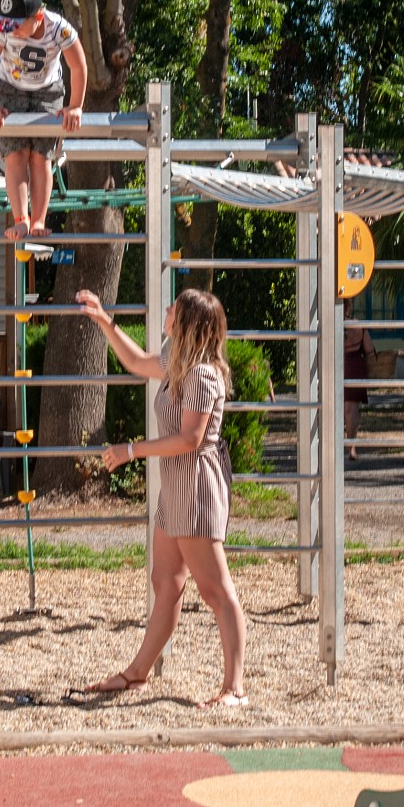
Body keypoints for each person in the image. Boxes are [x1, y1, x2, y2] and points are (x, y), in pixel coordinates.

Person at [74, 286, 248, 708]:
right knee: (166, 582)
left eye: (174, 307)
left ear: (187, 323)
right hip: (176, 488)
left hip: (196, 488)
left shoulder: (202, 375)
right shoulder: (176, 362)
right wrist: (104, 320)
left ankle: (234, 688)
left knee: (216, 591)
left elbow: (190, 439)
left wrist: (131, 450)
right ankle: (136, 674)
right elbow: (135, 361)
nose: (167, 309)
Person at [0, 0, 87, 238]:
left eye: (17, 26)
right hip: (9, 88)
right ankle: (21, 219)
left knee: (41, 156)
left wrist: (75, 107)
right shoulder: (1, 27)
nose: (11, 31)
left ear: (38, 17)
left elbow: (78, 66)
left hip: (47, 90)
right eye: (8, 25)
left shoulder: (58, 28)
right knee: (15, 154)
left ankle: (38, 220)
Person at [343, 304, 373, 462]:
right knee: (352, 411)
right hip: (355, 366)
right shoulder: (358, 325)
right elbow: (369, 349)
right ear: (348, 307)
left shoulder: (328, 325)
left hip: (335, 365)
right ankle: (352, 448)